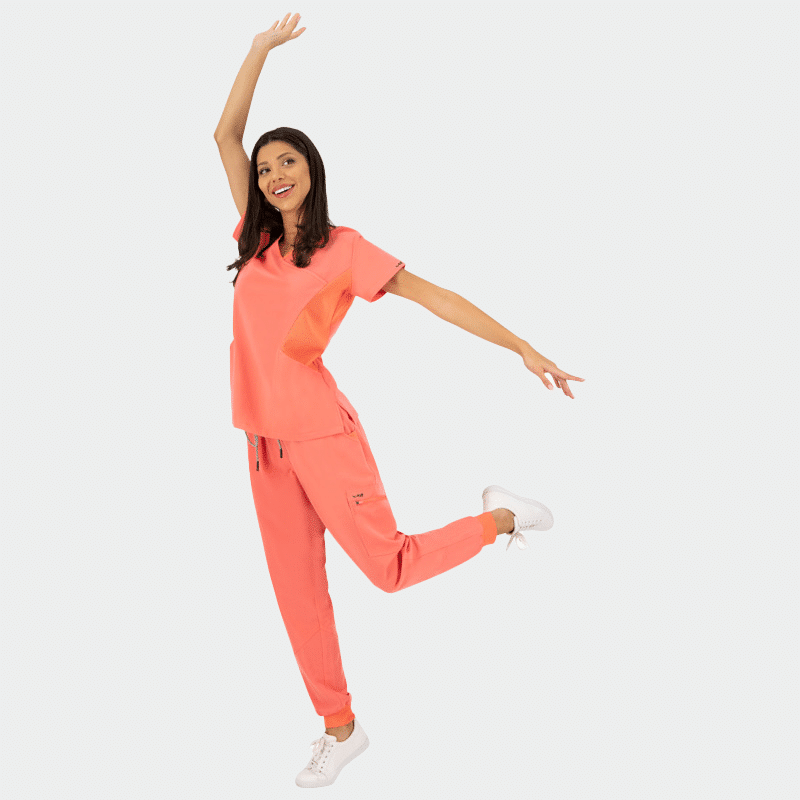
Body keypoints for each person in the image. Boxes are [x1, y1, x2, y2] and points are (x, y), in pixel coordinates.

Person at [213, 13, 585, 789]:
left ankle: (503, 518)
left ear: (311, 169)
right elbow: (224, 134)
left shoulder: (344, 249)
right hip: (262, 447)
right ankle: (340, 730)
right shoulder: (256, 239)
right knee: (298, 597)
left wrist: (520, 345)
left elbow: (435, 297)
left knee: (388, 568)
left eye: (288, 161)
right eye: (266, 166)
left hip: (322, 436)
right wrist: (257, 50)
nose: (274, 173)